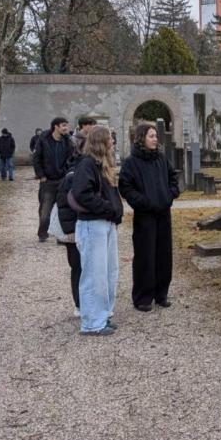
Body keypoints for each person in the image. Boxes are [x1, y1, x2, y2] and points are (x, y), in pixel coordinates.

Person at [118, 121, 179, 312]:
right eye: (151, 136)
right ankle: (143, 297)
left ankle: (161, 294)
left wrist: (170, 194)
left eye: (155, 136)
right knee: (145, 255)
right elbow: (126, 187)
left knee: (163, 254)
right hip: (145, 216)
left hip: (163, 214)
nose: (155, 139)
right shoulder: (131, 162)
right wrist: (143, 202)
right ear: (141, 138)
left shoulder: (161, 158)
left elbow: (173, 178)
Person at [71, 126, 123, 336]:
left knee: (108, 271)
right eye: (110, 139)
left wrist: (113, 212)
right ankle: (92, 322)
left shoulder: (102, 165)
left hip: (105, 223)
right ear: (101, 142)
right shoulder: (87, 164)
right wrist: (108, 209)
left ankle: (103, 314)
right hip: (93, 224)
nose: (113, 142)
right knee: (94, 273)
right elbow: (83, 194)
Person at [32, 117, 75, 242]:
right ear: (55, 126)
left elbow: (71, 159)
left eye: (66, 125)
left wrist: (67, 174)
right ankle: (42, 233)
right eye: (63, 125)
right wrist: (41, 175)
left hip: (63, 180)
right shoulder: (43, 140)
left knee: (63, 209)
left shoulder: (68, 141)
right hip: (48, 181)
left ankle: (60, 235)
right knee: (45, 209)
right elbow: (36, 158)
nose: (66, 128)